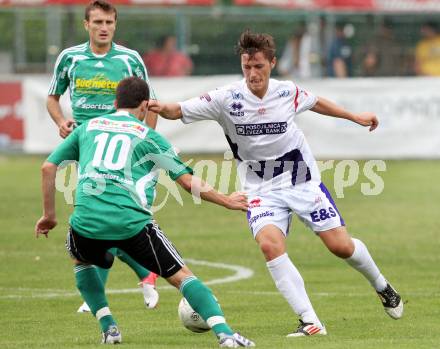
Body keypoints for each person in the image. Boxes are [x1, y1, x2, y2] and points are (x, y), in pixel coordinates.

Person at [148, 30, 404, 337]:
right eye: (247, 67)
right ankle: (310, 321)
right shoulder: (225, 98)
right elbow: (180, 110)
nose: (253, 73)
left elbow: (316, 102)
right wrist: (160, 107)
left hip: (302, 182)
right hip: (261, 190)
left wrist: (354, 116)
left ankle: (382, 285)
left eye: (259, 66)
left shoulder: (286, 92)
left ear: (272, 63)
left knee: (341, 246)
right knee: (269, 244)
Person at [35, 76, 255, 347]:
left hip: (87, 222)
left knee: (81, 261)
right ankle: (226, 335)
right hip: (132, 223)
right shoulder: (150, 138)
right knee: (182, 277)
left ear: (115, 102)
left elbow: (48, 167)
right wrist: (227, 200)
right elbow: (187, 183)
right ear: (144, 106)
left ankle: (109, 328)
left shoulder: (87, 128)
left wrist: (49, 216)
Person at [47, 0, 159, 313]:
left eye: (109, 22)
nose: (104, 28)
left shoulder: (129, 59)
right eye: (97, 22)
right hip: (85, 146)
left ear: (115, 24)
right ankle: (143, 273)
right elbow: (53, 97)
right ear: (87, 25)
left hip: (119, 147)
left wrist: (146, 144)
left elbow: (149, 104)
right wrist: (61, 121)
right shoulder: (69, 58)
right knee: (95, 219)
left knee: (103, 218)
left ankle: (117, 285)